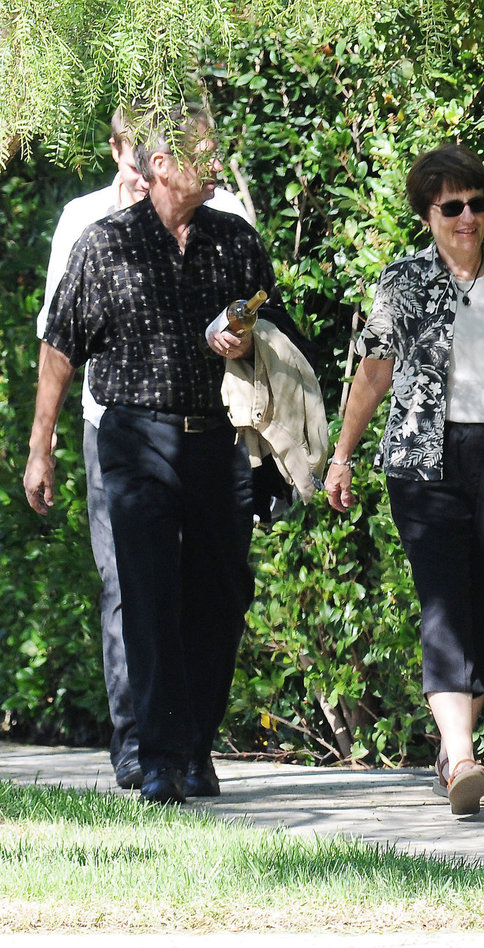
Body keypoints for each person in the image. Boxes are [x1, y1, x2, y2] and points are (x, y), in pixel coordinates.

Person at [24, 102, 291, 805]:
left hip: (220, 441)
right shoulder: (104, 243)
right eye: (202, 152)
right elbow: (58, 350)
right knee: (146, 595)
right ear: (162, 165)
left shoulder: (233, 238)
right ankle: (159, 760)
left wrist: (248, 338)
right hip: (134, 440)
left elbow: (280, 329)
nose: (215, 162)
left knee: (223, 594)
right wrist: (40, 449)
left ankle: (196, 744)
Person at [325, 143, 484, 815]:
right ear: (427, 215)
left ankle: (451, 746)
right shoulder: (402, 282)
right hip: (423, 462)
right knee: (444, 600)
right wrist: (342, 455)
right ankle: (466, 758)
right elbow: (375, 374)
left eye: (477, 204)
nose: (467, 217)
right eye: (452, 207)